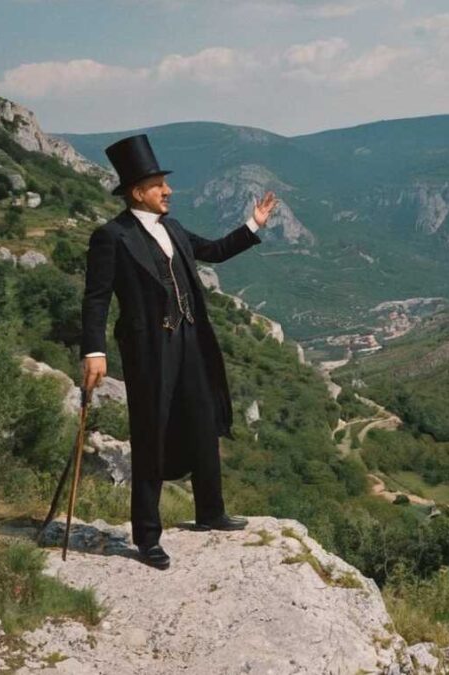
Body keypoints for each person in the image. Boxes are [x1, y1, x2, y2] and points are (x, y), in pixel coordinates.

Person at [80, 134, 278, 569]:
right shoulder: (111, 236)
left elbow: (212, 251)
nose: (168, 191)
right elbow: (96, 299)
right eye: (158, 185)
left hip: (190, 339)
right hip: (150, 349)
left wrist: (253, 224)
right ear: (138, 192)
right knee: (151, 433)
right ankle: (148, 536)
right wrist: (93, 350)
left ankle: (210, 512)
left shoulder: (171, 227)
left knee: (203, 420)